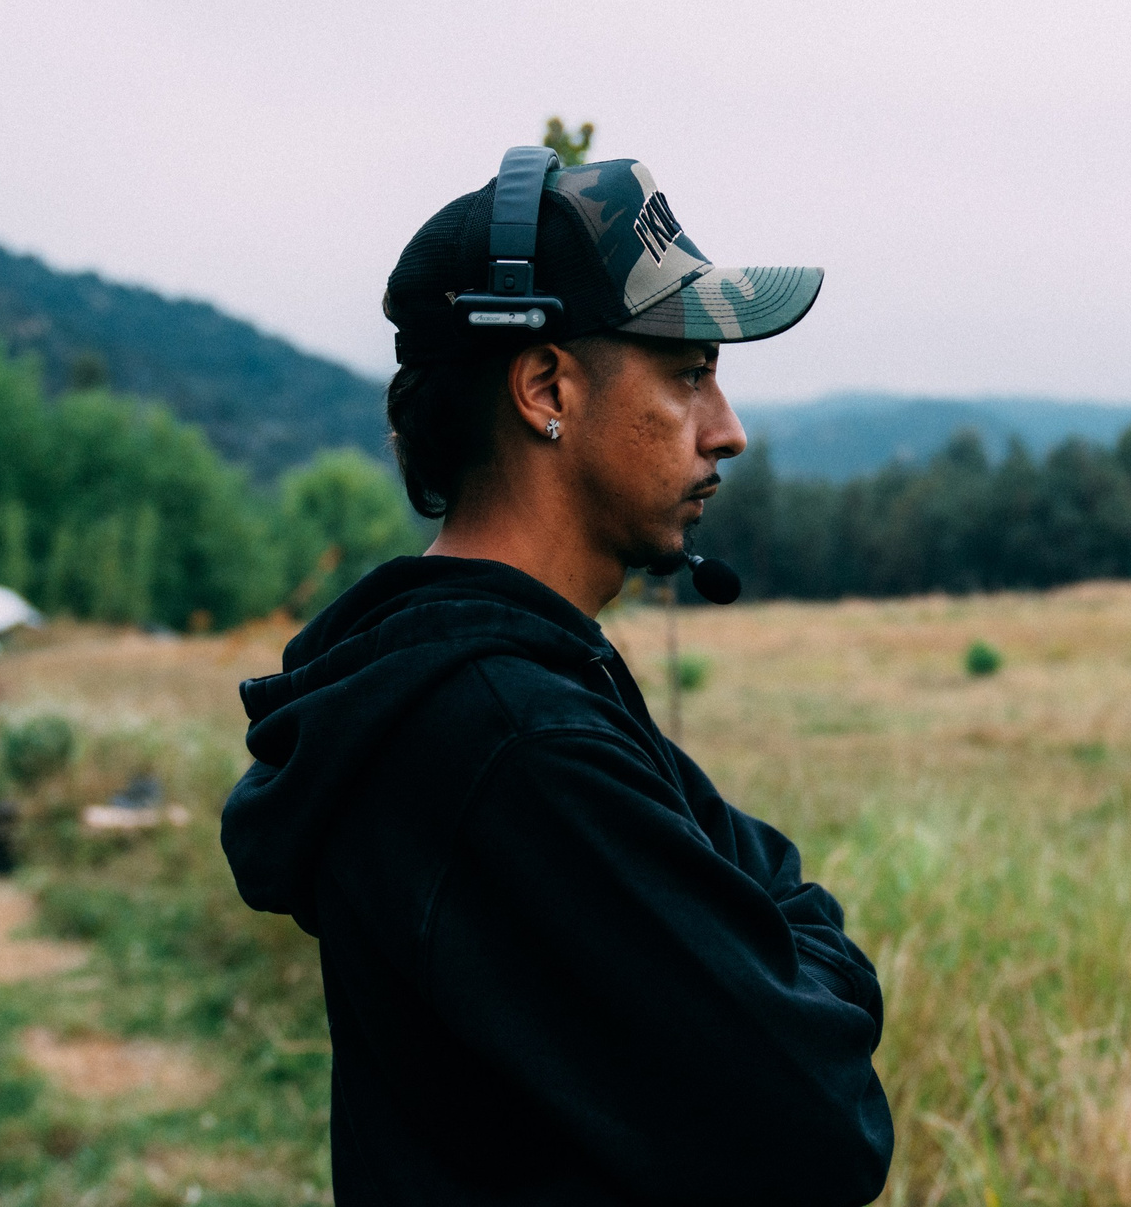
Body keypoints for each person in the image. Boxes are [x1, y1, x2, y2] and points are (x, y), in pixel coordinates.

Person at [221, 150, 892, 1205]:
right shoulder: (513, 738)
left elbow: (765, 882)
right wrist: (806, 962)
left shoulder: (496, 682)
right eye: (687, 373)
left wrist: (776, 940)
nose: (728, 430)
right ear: (546, 389)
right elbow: (820, 1125)